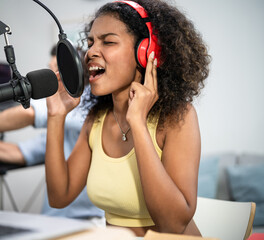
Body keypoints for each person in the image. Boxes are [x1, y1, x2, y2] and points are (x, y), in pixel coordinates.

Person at [44, 0, 210, 237]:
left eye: (108, 41)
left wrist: (138, 124)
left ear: (145, 53)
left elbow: (173, 225)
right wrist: (56, 116)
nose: (90, 52)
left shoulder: (178, 117)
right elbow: (59, 197)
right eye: (90, 43)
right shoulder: (96, 119)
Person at [0, 45, 105, 222]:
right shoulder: (61, 130)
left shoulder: (88, 105)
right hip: (53, 221)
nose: (52, 79)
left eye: (56, 72)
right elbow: (19, 152)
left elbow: (29, 113)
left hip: (88, 221)